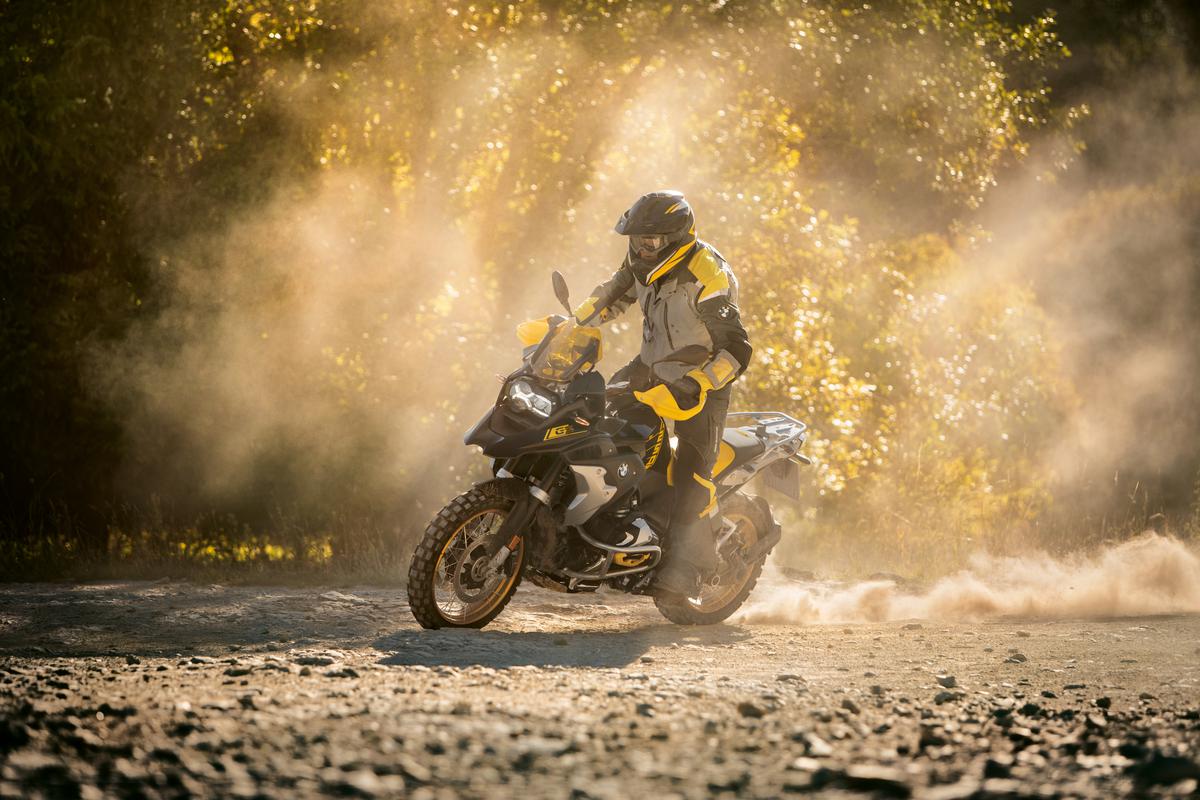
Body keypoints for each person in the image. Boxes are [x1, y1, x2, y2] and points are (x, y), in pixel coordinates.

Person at [573, 190, 752, 596]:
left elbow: (736, 349)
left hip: (701, 383)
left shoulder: (708, 273)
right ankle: (616, 526)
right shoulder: (641, 261)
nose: (642, 246)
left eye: (650, 240)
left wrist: (700, 382)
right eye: (636, 239)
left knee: (691, 474)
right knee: (593, 425)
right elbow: (612, 293)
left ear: (675, 237)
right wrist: (573, 323)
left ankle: (688, 570)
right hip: (649, 368)